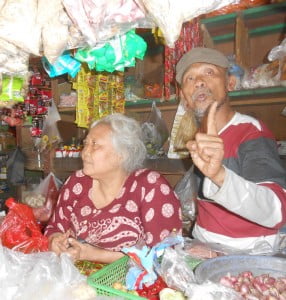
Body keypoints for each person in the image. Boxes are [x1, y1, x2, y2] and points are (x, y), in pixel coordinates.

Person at [175, 47, 286, 252]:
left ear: (230, 83)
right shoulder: (199, 137)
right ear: (184, 98)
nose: (198, 81)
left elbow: (276, 210)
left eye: (209, 73)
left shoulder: (251, 132)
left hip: (247, 253)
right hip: (203, 246)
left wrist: (219, 175)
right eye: (189, 78)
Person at [45, 113, 182, 263]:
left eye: (95, 145)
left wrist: (93, 255)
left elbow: (164, 256)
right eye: (86, 144)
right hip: (79, 280)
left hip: (132, 283)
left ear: (121, 154)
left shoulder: (150, 187)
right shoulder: (77, 183)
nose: (84, 152)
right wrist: (55, 240)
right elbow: (55, 227)